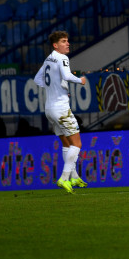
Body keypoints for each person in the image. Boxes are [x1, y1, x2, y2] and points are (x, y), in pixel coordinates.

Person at [34, 31, 88, 194]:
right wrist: (80, 81)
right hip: (61, 109)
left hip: (50, 109)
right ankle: (64, 178)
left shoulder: (48, 59)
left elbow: (37, 79)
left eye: (67, 41)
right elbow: (66, 75)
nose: (68, 43)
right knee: (77, 144)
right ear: (55, 45)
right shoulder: (62, 58)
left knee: (66, 143)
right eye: (64, 41)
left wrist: (56, 89)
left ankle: (74, 176)